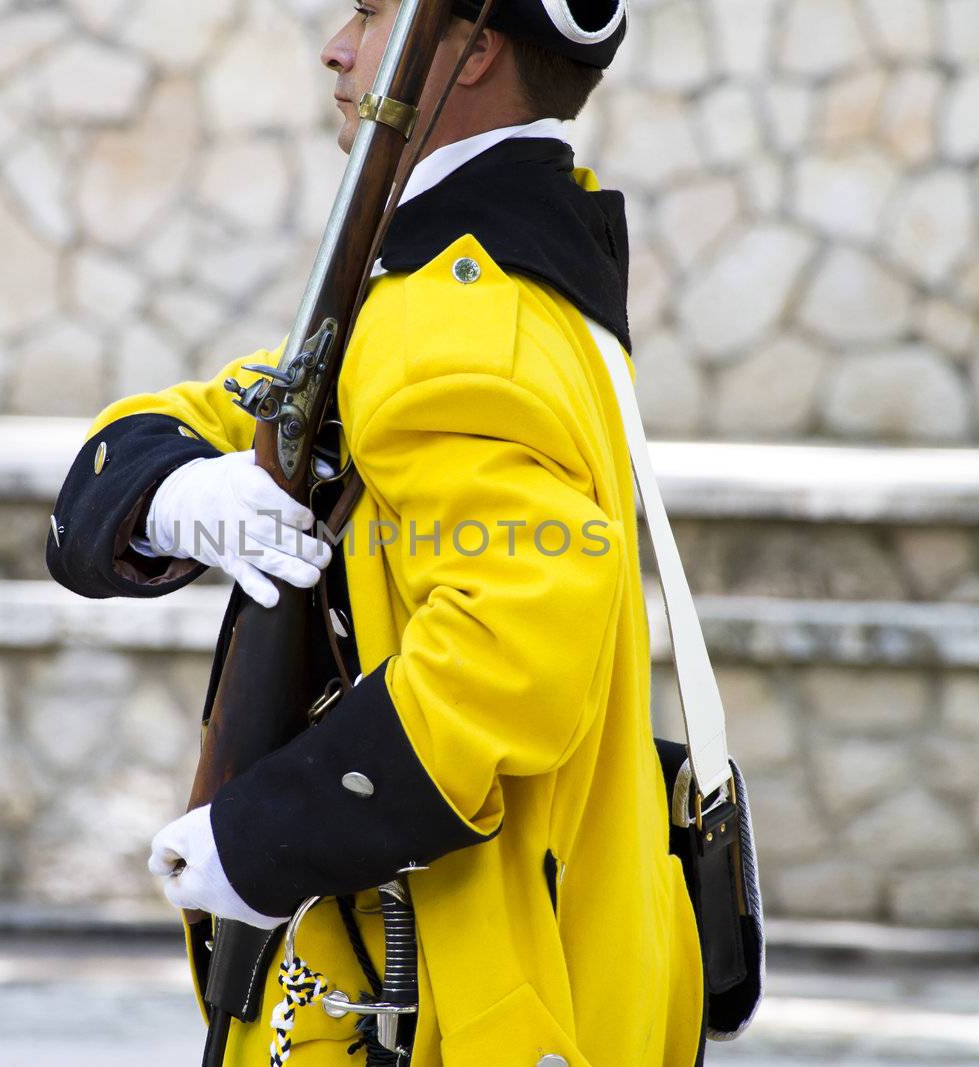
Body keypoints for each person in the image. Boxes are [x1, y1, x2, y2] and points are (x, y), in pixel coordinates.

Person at [45, 0, 706, 1062]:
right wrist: (169, 490)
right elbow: (207, 418)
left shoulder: (461, 321)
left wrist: (266, 837)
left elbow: (515, 648)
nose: (338, 47)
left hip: (457, 994)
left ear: (474, 47)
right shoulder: (457, 282)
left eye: (372, 12)